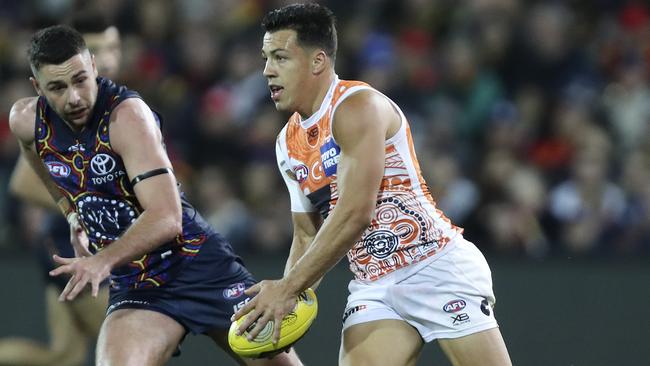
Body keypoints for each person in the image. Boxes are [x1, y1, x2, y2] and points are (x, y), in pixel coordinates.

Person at [233, 4, 512, 366]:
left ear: (318, 61)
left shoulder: (357, 107)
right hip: (374, 286)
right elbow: (305, 235)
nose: (267, 71)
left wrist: (287, 289)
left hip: (435, 266)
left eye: (280, 57)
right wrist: (284, 307)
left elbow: (355, 213)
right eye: (266, 58)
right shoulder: (288, 143)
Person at [8, 24, 302, 366]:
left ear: (93, 66)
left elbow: (166, 217)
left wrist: (101, 260)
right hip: (137, 285)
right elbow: (36, 156)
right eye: (57, 87)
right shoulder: (27, 120)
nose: (73, 97)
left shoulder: (127, 116)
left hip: (198, 265)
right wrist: (71, 213)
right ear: (36, 87)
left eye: (80, 80)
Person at [0, 15, 120, 366]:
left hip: (81, 245)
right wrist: (87, 210)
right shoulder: (57, 109)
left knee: (64, 357)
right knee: (126, 348)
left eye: (113, 47)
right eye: (97, 48)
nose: (109, 57)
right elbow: (23, 184)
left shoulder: (107, 99)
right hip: (69, 244)